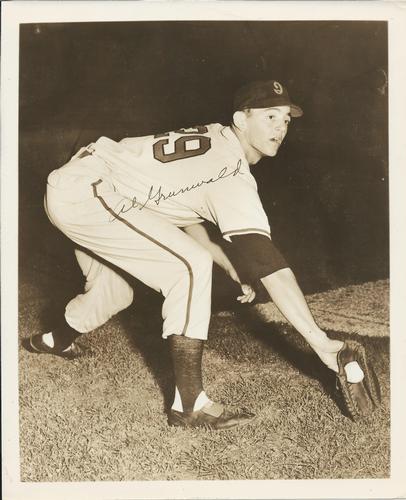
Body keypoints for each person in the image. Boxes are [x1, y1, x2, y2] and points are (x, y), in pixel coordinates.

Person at [24, 80, 379, 427]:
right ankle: (190, 404)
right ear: (242, 119)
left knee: (116, 289)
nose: (281, 127)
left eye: (286, 118)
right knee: (190, 268)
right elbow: (272, 267)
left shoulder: (215, 138)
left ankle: (53, 340)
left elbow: (181, 211)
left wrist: (227, 262)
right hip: (87, 191)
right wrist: (319, 341)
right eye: (269, 116)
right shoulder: (231, 170)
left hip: (82, 184)